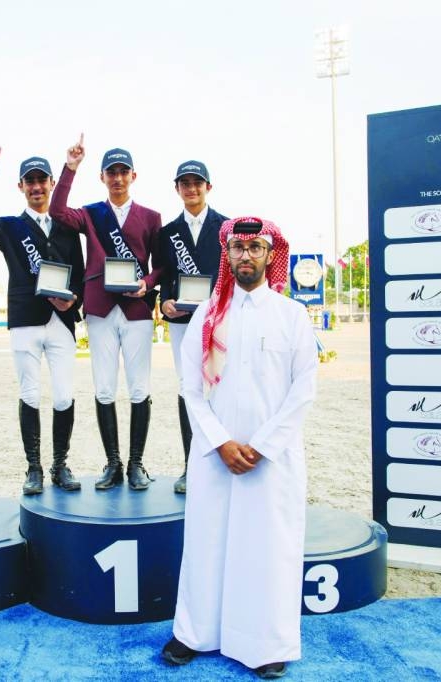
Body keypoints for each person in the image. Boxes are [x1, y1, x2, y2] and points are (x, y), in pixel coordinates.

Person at [161, 218, 318, 679]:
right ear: (226, 255)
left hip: (272, 459)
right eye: (237, 248)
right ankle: (194, 634)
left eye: (255, 247)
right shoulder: (208, 315)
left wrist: (263, 446)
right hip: (215, 455)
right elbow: (190, 389)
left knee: (268, 547)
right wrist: (222, 442)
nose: (245, 255)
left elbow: (304, 389)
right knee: (207, 542)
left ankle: (266, 643)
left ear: (271, 255)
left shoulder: (293, 315)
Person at [0, 146, 85, 495]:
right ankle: (33, 468)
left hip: (61, 321)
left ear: (51, 183)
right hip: (25, 321)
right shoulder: (8, 226)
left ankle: (60, 464)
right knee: (30, 392)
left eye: (41, 180)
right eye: (29, 181)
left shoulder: (67, 227)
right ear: (20, 186)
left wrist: (73, 298)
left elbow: (78, 272)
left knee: (64, 395)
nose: (36, 187)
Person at [49, 135, 163, 491]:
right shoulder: (91, 213)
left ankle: (136, 464)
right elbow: (56, 211)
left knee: (140, 387)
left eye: (123, 172)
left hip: (136, 308)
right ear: (102, 177)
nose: (117, 178)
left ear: (133, 176)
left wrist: (147, 282)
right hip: (100, 307)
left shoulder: (150, 217)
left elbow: (161, 266)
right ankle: (113, 463)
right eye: (111, 172)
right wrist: (70, 168)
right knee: (104, 388)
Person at [158, 160, 228, 494]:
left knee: (221, 388)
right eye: (184, 183)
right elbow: (164, 278)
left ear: (208, 187)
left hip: (220, 321)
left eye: (197, 182)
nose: (191, 188)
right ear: (177, 189)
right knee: (189, 388)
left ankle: (220, 461)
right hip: (183, 323)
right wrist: (164, 302)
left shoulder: (227, 227)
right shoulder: (168, 232)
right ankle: (191, 465)